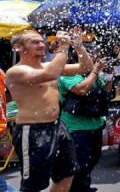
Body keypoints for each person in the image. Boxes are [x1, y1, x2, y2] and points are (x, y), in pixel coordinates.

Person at [6, 30, 93, 191]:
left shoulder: (48, 65)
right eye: (34, 42)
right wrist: (63, 47)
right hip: (32, 131)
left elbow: (86, 67)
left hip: (57, 126)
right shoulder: (16, 72)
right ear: (18, 48)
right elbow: (51, 74)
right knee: (33, 185)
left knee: (68, 173)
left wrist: (80, 48)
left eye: (41, 41)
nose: (41, 44)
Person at [58, 50, 113, 192]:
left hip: (95, 125)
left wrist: (109, 75)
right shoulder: (68, 74)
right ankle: (78, 188)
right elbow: (82, 89)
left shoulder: (92, 74)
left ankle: (84, 187)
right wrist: (95, 71)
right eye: (91, 56)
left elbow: (105, 91)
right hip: (76, 128)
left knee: (91, 161)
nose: (94, 58)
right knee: (79, 164)